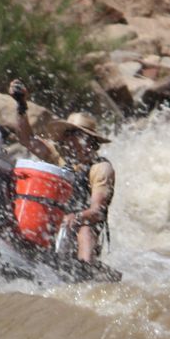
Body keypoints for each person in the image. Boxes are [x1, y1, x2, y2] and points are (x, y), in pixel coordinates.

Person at [45, 111, 115, 264]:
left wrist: (75, 217)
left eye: (74, 133)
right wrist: (21, 107)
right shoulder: (61, 159)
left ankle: (85, 268)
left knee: (85, 229)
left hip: (85, 229)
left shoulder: (101, 168)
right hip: (59, 223)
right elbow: (27, 140)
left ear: (89, 140)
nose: (68, 138)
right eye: (67, 133)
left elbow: (97, 212)